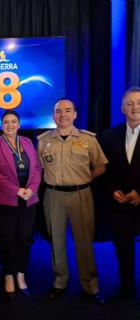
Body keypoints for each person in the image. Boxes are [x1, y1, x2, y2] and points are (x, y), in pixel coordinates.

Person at [37, 98, 108, 305]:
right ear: (53, 116)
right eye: (59, 111)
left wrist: (83, 180)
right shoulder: (43, 141)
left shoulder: (88, 140)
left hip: (81, 194)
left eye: (68, 111)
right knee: (56, 242)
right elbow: (36, 170)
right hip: (53, 195)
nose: (63, 115)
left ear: (75, 115)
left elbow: (100, 167)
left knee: (84, 241)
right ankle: (60, 282)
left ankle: (90, 285)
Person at [0, 110, 42, 301]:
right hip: (4, 200)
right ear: (2, 126)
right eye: (6, 122)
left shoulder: (27, 142)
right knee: (6, 239)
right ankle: (8, 275)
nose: (10, 125)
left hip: (28, 198)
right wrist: (16, 190)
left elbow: (36, 168)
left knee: (25, 238)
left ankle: (21, 275)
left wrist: (31, 190)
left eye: (14, 121)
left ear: (19, 124)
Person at [99, 87, 140, 299]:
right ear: (122, 108)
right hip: (120, 203)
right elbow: (102, 171)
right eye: (130, 104)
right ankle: (127, 287)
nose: (135, 107)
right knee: (123, 249)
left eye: (139, 103)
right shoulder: (108, 135)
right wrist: (112, 190)